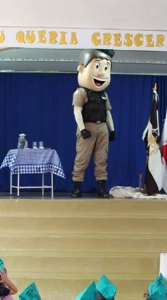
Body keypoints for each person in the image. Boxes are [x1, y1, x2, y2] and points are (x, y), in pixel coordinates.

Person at [71, 49, 116, 198]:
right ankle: (77, 188)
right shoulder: (81, 92)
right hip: (87, 126)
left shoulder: (104, 94)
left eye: (105, 68)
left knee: (101, 158)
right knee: (82, 158)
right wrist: (82, 129)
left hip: (102, 127)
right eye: (97, 67)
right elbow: (77, 111)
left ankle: (101, 189)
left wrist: (112, 130)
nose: (101, 73)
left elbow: (108, 112)